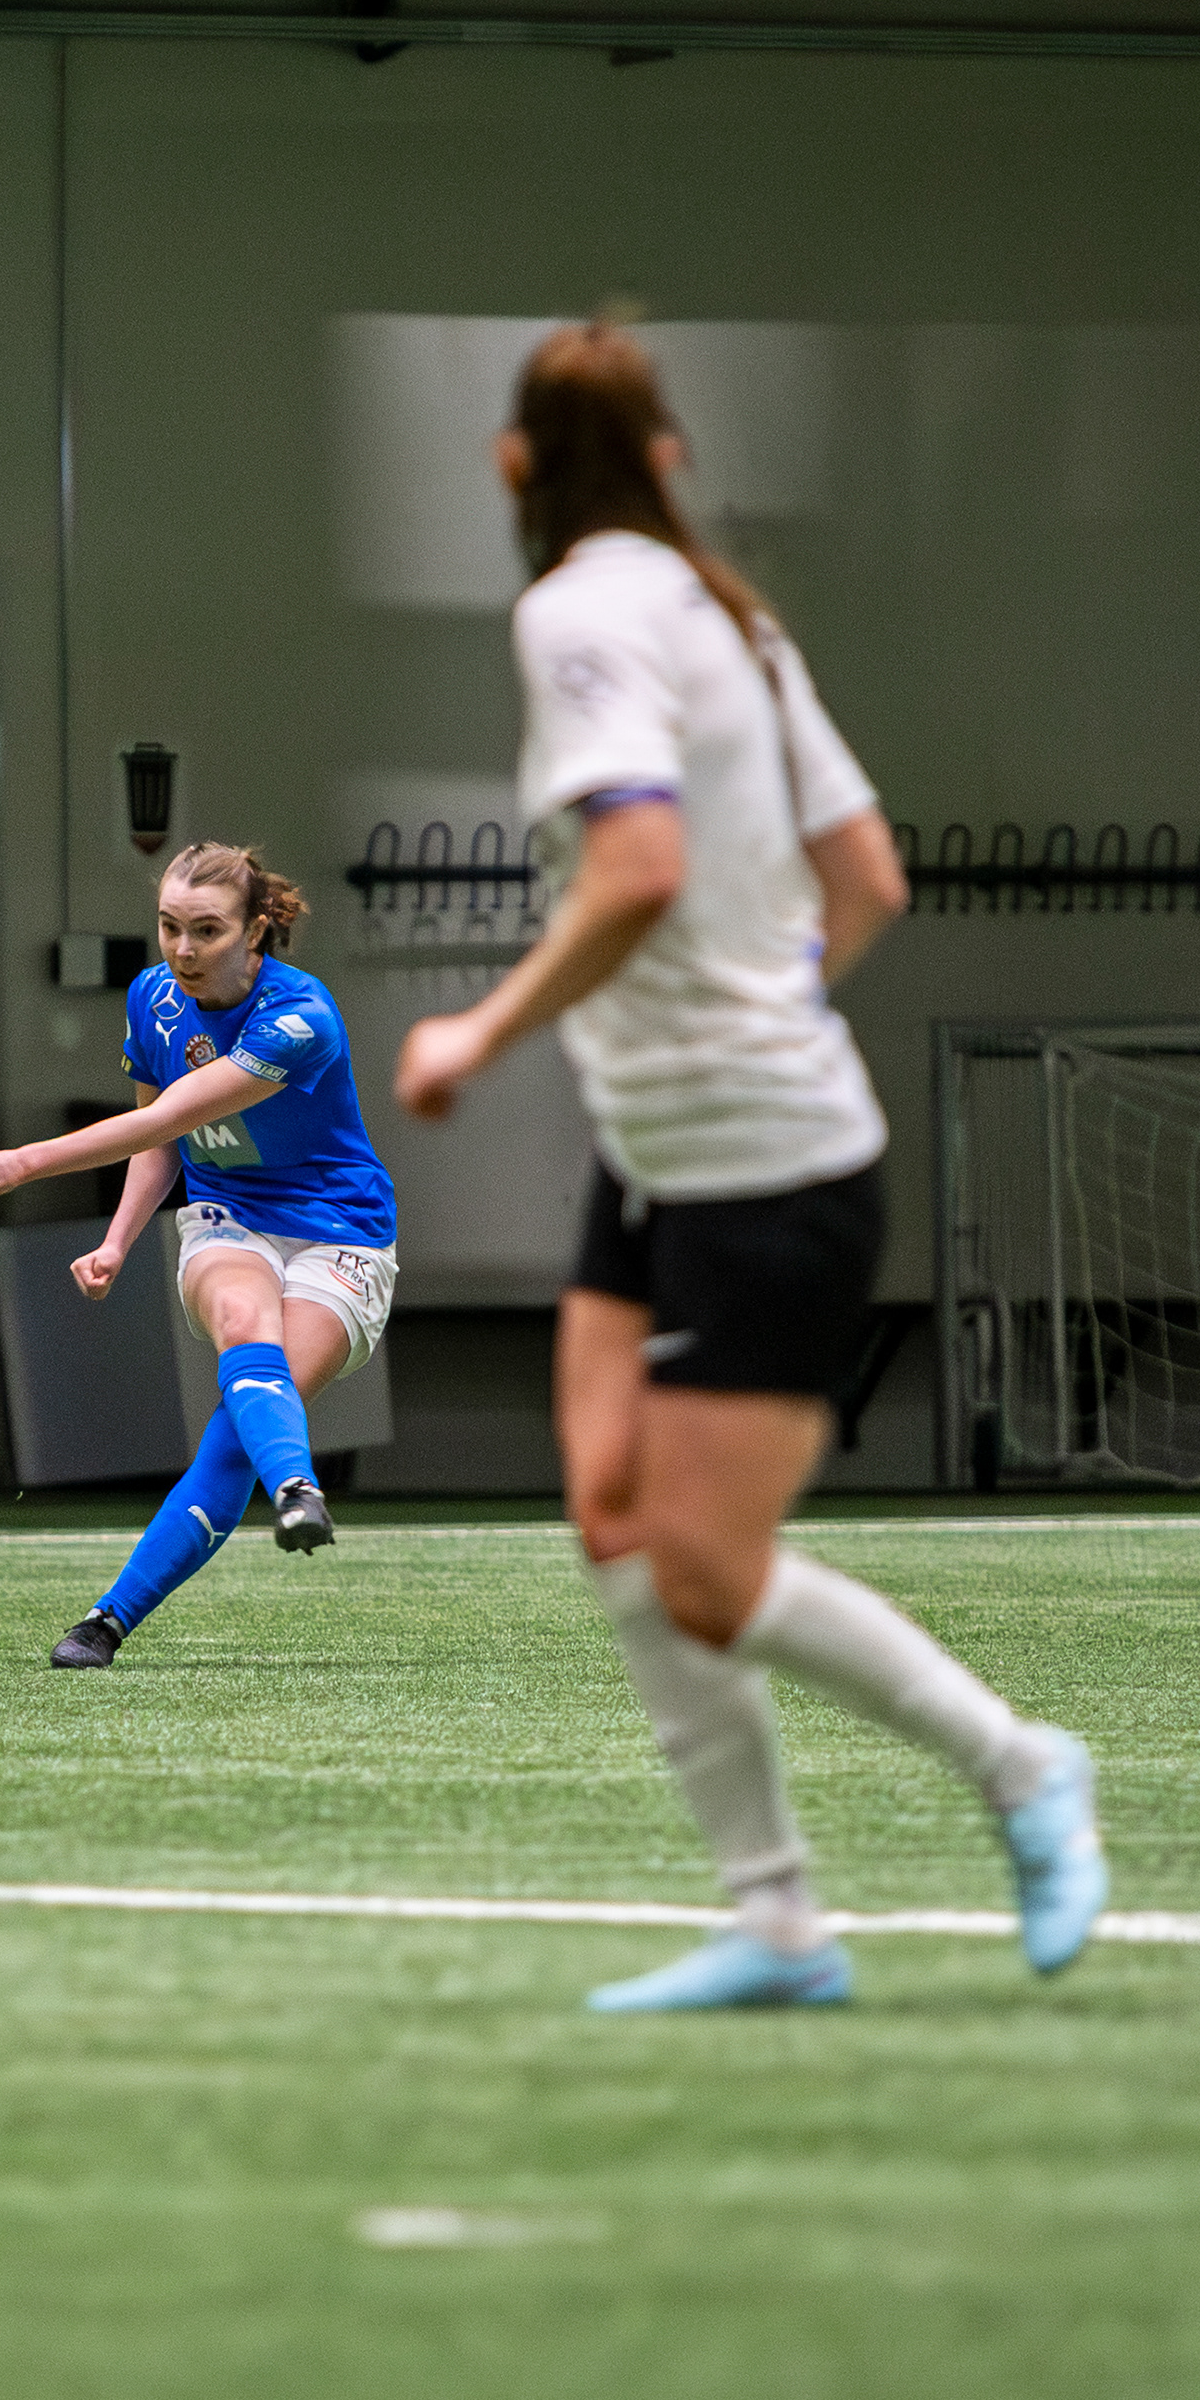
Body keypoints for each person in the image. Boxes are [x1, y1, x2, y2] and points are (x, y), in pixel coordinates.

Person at [393, 321, 1101, 2010]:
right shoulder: (734, 619)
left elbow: (637, 867)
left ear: (510, 465)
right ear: (669, 459)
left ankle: (1021, 1766)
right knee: (612, 1514)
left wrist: (477, 1034)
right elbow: (869, 881)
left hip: (765, 1169)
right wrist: (752, 1010)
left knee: (705, 1573)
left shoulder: (577, 613)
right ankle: (777, 1921)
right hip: (662, 1157)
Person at [0, 842, 398, 1669]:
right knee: (241, 1319)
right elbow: (161, 1144)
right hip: (231, 1217)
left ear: (255, 930)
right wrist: (117, 1241)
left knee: (235, 1434)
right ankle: (295, 1488)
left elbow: (166, 1119)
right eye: (168, 927)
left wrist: (24, 1163)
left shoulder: (301, 1015)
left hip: (340, 1229)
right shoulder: (152, 997)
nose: (183, 950)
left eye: (207, 931)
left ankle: (111, 1617)